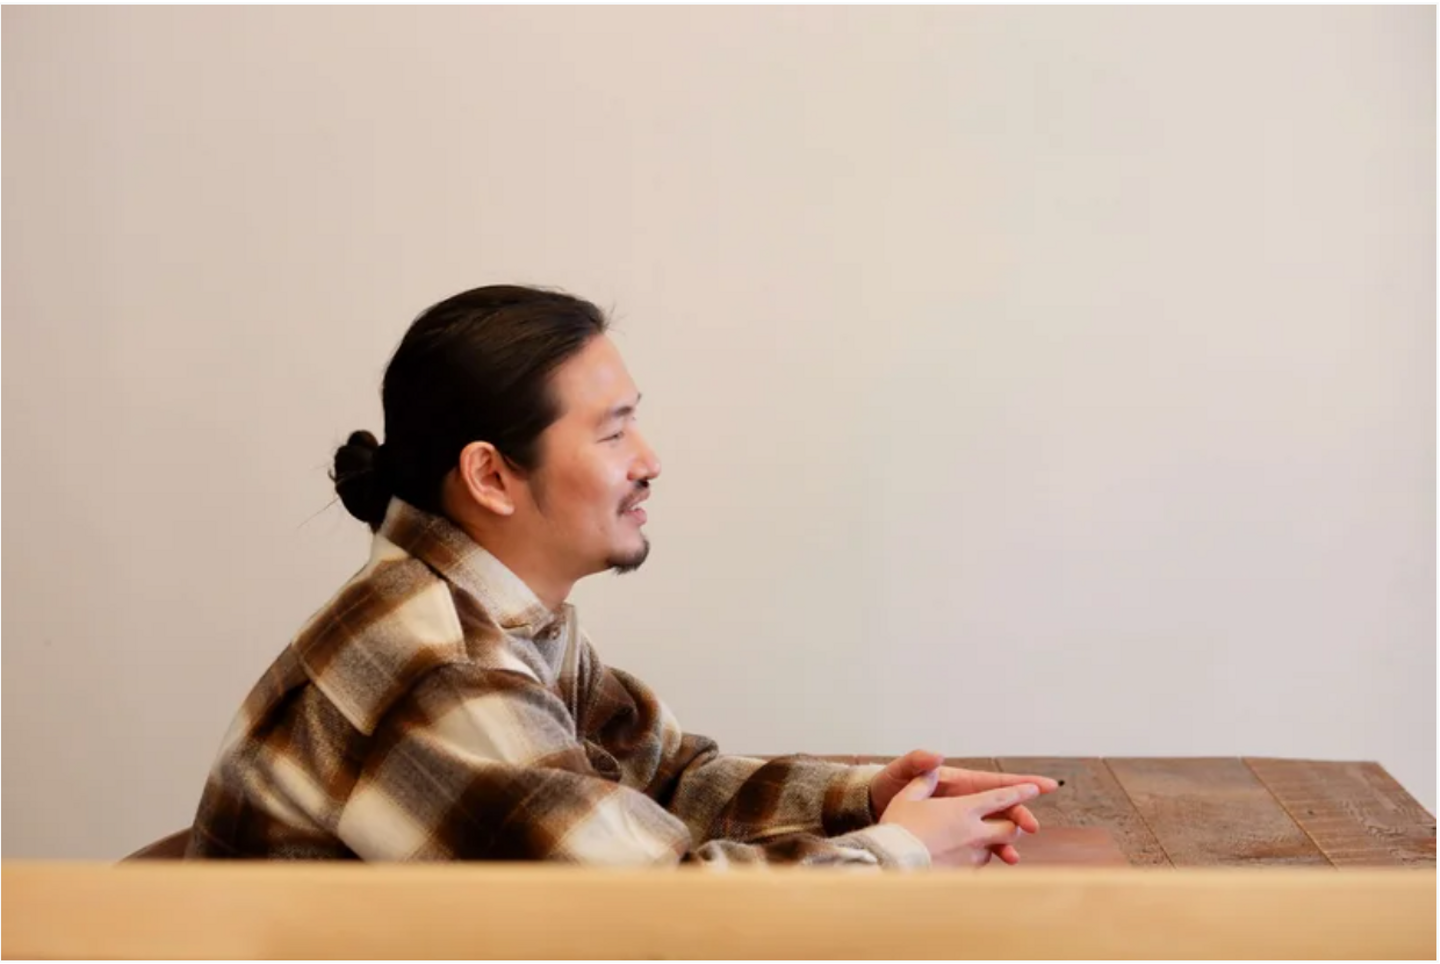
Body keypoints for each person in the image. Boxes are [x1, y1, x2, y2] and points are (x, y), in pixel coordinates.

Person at [187, 284, 1059, 866]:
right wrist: (902, 853)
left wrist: (866, 801)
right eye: (612, 432)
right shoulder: (437, 669)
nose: (649, 460)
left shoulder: (494, 613)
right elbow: (659, 925)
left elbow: (665, 777)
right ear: (491, 476)